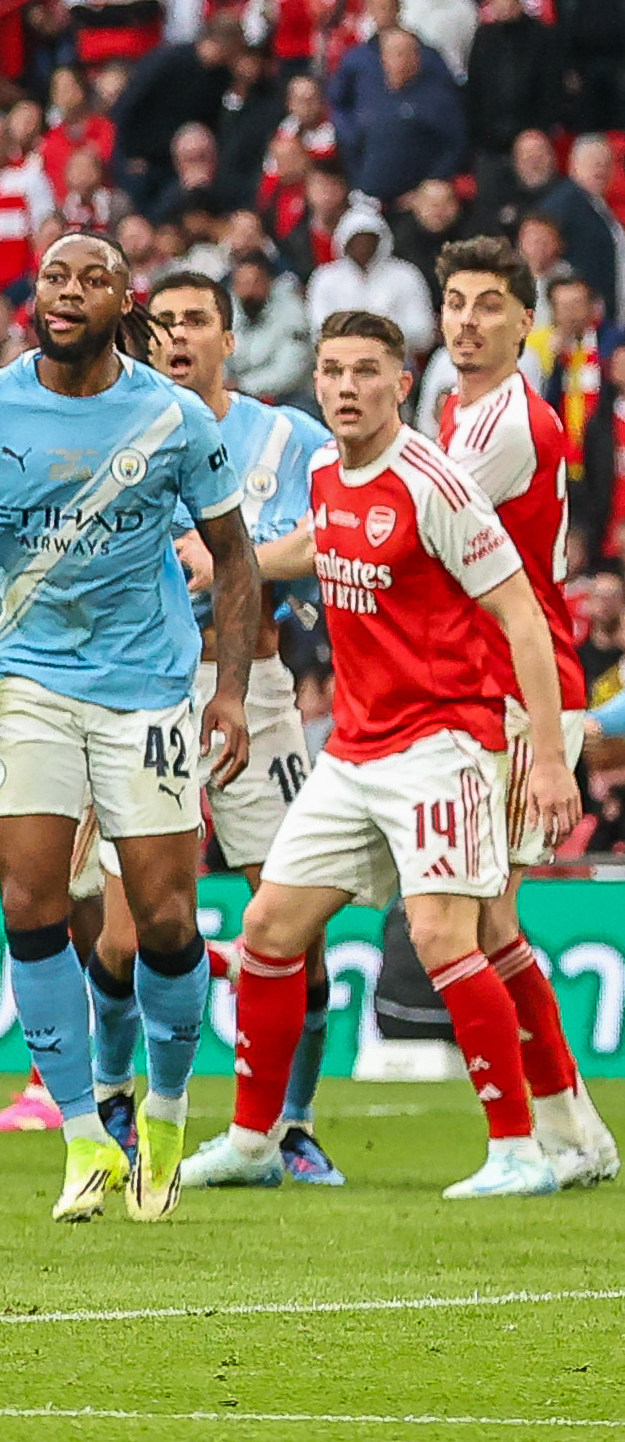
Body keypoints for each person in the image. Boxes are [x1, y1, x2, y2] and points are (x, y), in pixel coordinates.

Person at [0, 230, 258, 1224]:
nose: (66, 291)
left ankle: (169, 1117)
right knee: (29, 904)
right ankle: (82, 1134)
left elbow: (231, 556)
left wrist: (226, 693)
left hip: (145, 688)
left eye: (89, 278)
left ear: (120, 301)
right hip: (25, 686)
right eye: (53, 274)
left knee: (164, 919)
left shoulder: (172, 416)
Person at [207, 311, 583, 1200]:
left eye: (365, 371)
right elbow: (317, 544)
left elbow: (522, 615)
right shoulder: (328, 471)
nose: (344, 387)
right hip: (353, 749)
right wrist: (239, 567)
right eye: (332, 370)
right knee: (267, 930)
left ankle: (518, 1149)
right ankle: (256, 1141)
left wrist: (553, 752)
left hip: (439, 747)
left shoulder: (437, 484)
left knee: (449, 934)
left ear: (400, 383)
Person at [358, 243, 613, 1184]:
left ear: (523, 323)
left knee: (487, 923)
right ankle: (571, 1133)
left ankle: (549, 1139)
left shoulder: (504, 424)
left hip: (517, 688)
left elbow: (414, 512)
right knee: (494, 923)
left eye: (490, 306)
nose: (466, 321)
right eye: (455, 303)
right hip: (484, 683)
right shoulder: (457, 404)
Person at [120, 272, 346, 1189]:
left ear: (227, 338)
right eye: (164, 321)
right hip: (139, 689)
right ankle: (113, 1109)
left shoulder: (288, 436)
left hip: (251, 688)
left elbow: (336, 530)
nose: (177, 335)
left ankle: (291, 1121)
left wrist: (226, 561)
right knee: (126, 921)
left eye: (195, 320)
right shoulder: (119, 427)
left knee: (293, 913)